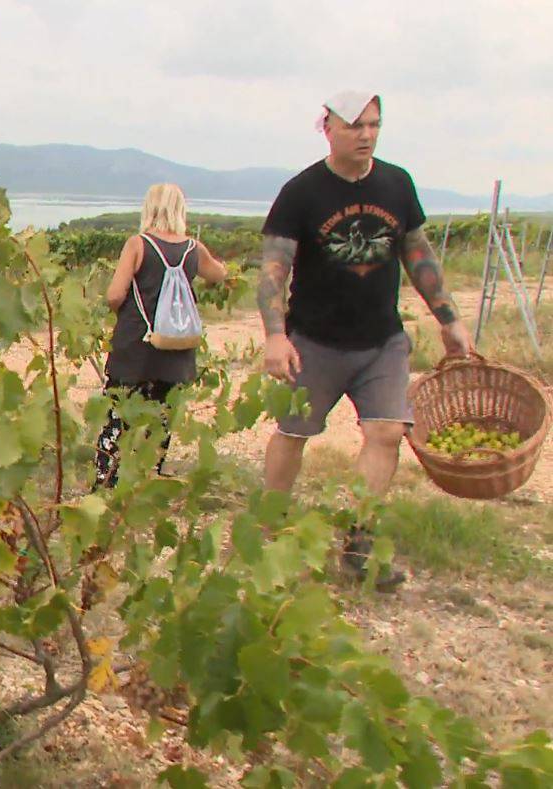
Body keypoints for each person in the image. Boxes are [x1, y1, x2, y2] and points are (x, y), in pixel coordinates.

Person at [257, 91, 473, 591]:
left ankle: (358, 541)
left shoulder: (397, 184)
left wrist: (449, 319)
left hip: (382, 341)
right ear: (326, 127)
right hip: (314, 342)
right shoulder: (302, 192)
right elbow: (273, 270)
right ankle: (269, 529)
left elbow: (418, 254)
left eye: (374, 125)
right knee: (293, 434)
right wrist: (274, 336)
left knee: (386, 433)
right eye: (355, 126)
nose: (366, 135)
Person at [95, 183, 228, 489]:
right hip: (177, 347)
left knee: (118, 415)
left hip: (136, 345)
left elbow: (115, 294)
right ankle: (147, 481)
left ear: (149, 208)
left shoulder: (138, 245)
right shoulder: (194, 248)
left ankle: (107, 482)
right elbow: (219, 274)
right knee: (161, 418)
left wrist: (122, 310)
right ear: (180, 209)